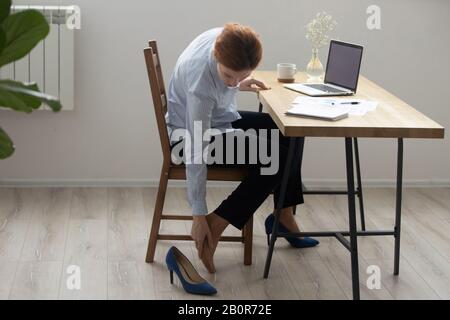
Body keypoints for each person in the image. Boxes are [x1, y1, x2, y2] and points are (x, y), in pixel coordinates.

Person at [166, 23, 319, 273]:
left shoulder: (228, 39)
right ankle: (217, 223)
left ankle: (284, 214)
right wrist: (198, 215)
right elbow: (196, 150)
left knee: (290, 130)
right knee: (276, 158)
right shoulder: (200, 83)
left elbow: (227, 85)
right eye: (228, 76)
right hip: (186, 140)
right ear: (216, 56)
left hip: (216, 119)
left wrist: (239, 83)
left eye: (241, 75)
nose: (232, 82)